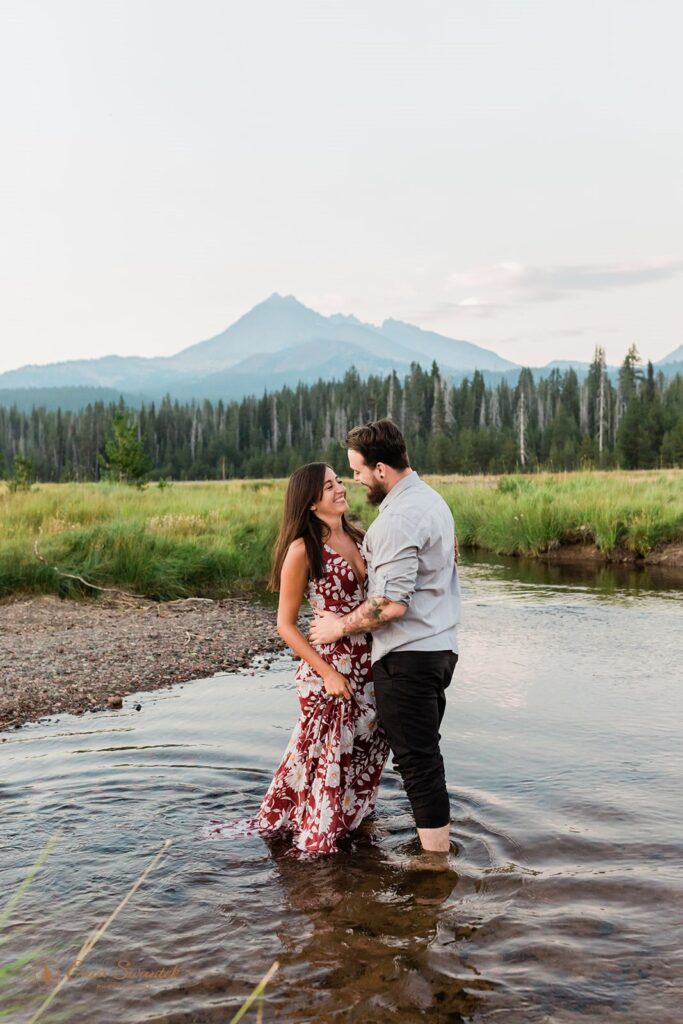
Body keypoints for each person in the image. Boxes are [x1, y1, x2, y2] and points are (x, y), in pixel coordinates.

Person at [207, 462, 389, 856]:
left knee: (365, 751)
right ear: (309, 502)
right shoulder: (303, 549)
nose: (340, 488)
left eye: (339, 480)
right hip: (330, 670)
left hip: (368, 665)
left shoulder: (359, 536)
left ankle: (347, 824)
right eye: (329, 486)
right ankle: (314, 844)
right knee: (326, 759)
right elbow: (285, 625)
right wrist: (327, 674)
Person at [309, 419, 461, 854]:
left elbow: (390, 604)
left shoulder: (398, 518)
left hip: (408, 657)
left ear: (380, 469)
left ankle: (435, 865)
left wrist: (338, 626)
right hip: (439, 647)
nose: (353, 481)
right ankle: (426, 846)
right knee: (421, 755)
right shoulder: (432, 501)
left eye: (356, 471)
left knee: (417, 762)